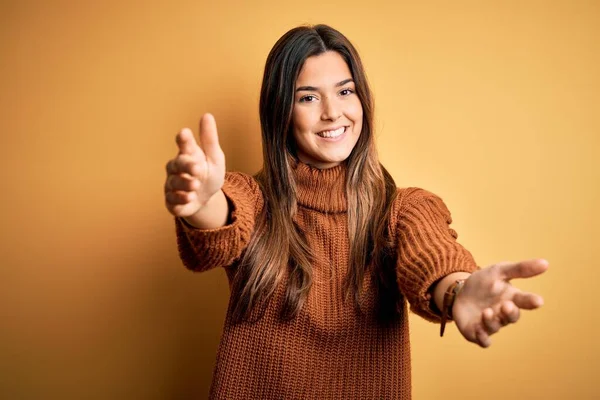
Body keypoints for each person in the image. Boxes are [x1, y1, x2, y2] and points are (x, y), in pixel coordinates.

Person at [164, 24, 548, 400]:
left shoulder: (403, 208)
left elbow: (433, 257)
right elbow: (223, 218)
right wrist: (200, 202)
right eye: (308, 98)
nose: (332, 112)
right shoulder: (256, 199)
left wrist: (459, 292)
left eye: (345, 91)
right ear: (280, 111)